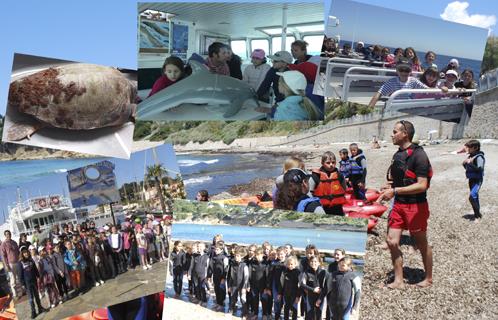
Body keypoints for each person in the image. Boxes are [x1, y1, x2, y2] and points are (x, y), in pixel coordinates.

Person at [377, 120, 433, 289]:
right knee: (392, 241)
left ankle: (428, 278)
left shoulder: (419, 155)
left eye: (395, 132)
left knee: (421, 243)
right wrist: (390, 187)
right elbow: (401, 179)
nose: (392, 135)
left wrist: (395, 191)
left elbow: (422, 185)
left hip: (416, 206)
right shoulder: (398, 154)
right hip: (399, 205)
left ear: (405, 134)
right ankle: (399, 280)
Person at [19, 247, 47, 318]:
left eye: (27, 252)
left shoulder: (31, 260)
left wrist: (38, 276)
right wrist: (22, 284)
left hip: (34, 280)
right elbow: (20, 274)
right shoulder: (21, 262)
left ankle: (40, 308)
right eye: (24, 253)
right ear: (22, 254)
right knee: (31, 298)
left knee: (37, 295)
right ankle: (33, 311)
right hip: (27, 283)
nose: (26, 254)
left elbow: (35, 269)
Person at [462, 140, 485, 220]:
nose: (468, 149)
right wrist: (465, 163)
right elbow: (467, 167)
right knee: (475, 197)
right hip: (471, 179)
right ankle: (477, 214)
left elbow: (480, 169)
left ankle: (477, 214)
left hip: (477, 180)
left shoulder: (479, 157)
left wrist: (470, 163)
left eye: (469, 147)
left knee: (472, 196)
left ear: (476, 148)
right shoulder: (471, 155)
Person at [300, 255, 326, 320]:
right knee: (309, 315)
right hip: (310, 297)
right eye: (311, 261)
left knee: (318, 315)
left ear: (319, 262)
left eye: (315, 261)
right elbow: (302, 284)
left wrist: (320, 298)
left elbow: (326, 287)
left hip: (320, 297)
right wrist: (313, 289)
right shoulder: (306, 272)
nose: (313, 263)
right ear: (309, 263)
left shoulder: (323, 272)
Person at [227, 247, 249, 318]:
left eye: (238, 256)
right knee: (233, 299)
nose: (236, 257)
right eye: (235, 255)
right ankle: (231, 310)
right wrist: (229, 286)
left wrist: (244, 287)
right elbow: (231, 276)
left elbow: (246, 277)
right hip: (234, 285)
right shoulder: (232, 264)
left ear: (242, 256)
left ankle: (245, 313)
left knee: (243, 300)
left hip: (242, 285)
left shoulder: (244, 265)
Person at [248, 248, 270, 318]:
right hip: (254, 286)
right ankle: (256, 314)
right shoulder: (252, 263)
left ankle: (264, 314)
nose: (257, 256)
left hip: (263, 286)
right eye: (256, 255)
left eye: (259, 255)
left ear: (262, 255)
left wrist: (267, 287)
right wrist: (248, 285)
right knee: (255, 300)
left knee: (264, 300)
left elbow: (267, 277)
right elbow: (249, 275)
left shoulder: (265, 264)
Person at [1, 230, 22, 299]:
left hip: (18, 262)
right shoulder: (3, 244)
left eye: (9, 234)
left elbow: (18, 252)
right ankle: (15, 294)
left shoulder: (14, 242)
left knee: (20, 278)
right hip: (10, 264)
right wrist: (6, 265)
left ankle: (22, 291)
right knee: (13, 280)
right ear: (5, 235)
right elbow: (3, 256)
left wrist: (20, 259)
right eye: (7, 234)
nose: (8, 235)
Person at [268, 246, 287, 320]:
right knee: (276, 301)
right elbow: (270, 276)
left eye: (282, 254)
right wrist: (269, 287)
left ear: (285, 253)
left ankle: (283, 315)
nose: (280, 256)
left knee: (284, 303)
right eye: (278, 254)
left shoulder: (288, 263)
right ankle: (277, 316)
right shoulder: (274, 263)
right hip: (276, 285)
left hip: (286, 286)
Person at [208, 242, 228, 311]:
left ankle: (221, 304)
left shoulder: (224, 258)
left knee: (221, 291)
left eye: (217, 249)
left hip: (221, 277)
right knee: (216, 290)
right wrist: (209, 276)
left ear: (221, 250)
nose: (216, 251)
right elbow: (211, 267)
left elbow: (226, 269)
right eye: (215, 249)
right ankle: (218, 302)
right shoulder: (214, 257)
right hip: (215, 276)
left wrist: (223, 278)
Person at [189, 242, 210, 306]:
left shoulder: (207, 256)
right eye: (198, 246)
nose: (199, 248)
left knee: (202, 288)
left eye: (201, 247)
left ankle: (204, 300)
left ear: (204, 248)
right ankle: (198, 299)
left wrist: (208, 277)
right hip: (195, 274)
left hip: (203, 275)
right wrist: (189, 274)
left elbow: (208, 267)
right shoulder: (194, 255)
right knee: (196, 287)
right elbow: (191, 266)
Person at [281, 256, 301, 320]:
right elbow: (282, 283)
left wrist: (298, 296)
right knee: (286, 308)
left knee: (294, 309)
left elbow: (300, 286)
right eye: (288, 264)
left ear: (295, 264)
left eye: (291, 264)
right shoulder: (285, 272)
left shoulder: (298, 272)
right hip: (286, 293)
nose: (290, 266)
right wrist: (281, 293)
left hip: (294, 294)